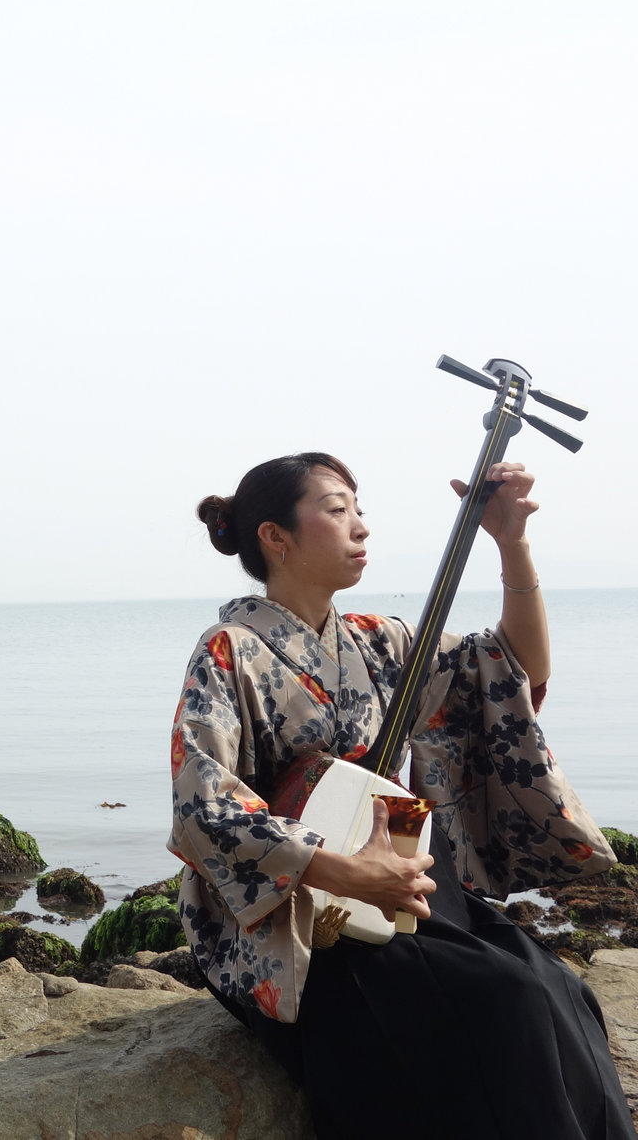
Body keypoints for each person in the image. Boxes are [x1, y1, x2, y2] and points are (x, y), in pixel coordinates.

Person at [168, 452, 632, 1140]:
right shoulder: (228, 650)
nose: (360, 526)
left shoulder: (379, 642)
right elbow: (201, 804)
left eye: (359, 510)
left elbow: (516, 672)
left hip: (400, 884)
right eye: (337, 510)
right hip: (286, 917)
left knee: (562, 992)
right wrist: (343, 871)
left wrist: (512, 542)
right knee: (506, 1002)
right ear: (275, 536)